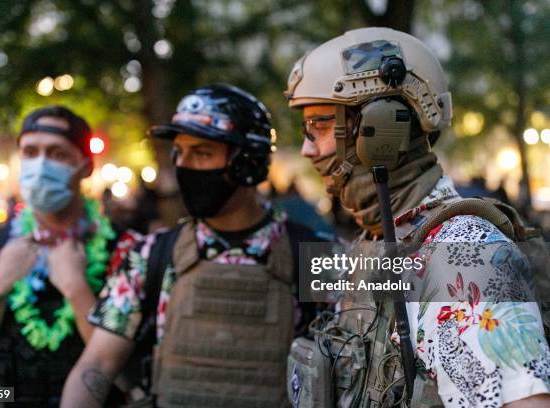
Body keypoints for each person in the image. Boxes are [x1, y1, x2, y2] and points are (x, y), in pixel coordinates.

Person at [285, 27, 550, 407]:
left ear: (382, 129)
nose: (308, 150)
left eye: (320, 126)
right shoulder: (373, 240)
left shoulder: (463, 253)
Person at [61, 84, 329, 407]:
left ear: (247, 163)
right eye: (180, 152)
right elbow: (97, 365)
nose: (185, 167)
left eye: (201, 153)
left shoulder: (316, 255)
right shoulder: (150, 256)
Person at [0, 106, 140, 406]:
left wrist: (77, 290)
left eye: (57, 154)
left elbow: (132, 378)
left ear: (86, 166)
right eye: (30, 152)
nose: (41, 164)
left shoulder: (127, 251)